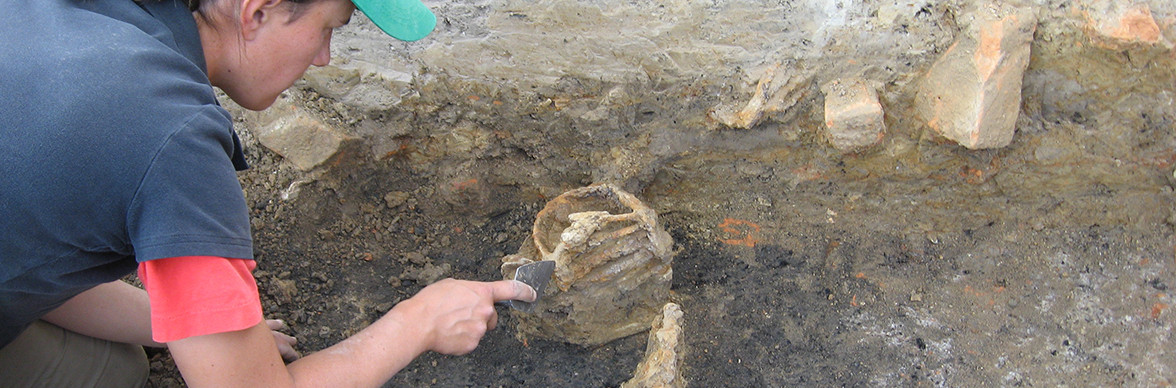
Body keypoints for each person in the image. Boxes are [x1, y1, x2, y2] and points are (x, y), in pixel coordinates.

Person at [0, 0, 537, 386]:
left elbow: (35, 243)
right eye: (329, 27)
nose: (325, 56)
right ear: (257, 12)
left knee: (112, 367)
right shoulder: (171, 140)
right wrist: (418, 322)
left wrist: (190, 332)